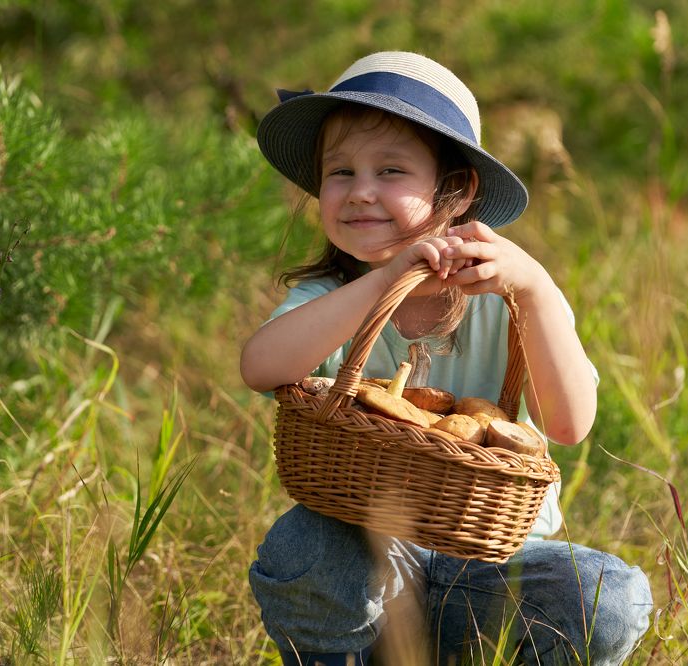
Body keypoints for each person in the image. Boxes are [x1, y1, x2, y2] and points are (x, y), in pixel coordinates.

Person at [240, 51, 652, 665]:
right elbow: (261, 367)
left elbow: (568, 425)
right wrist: (382, 284)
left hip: (492, 568)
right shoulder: (331, 300)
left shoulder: (508, 301)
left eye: (391, 171)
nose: (361, 192)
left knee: (610, 598)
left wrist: (535, 287)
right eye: (341, 172)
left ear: (456, 190)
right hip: (370, 571)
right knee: (302, 544)